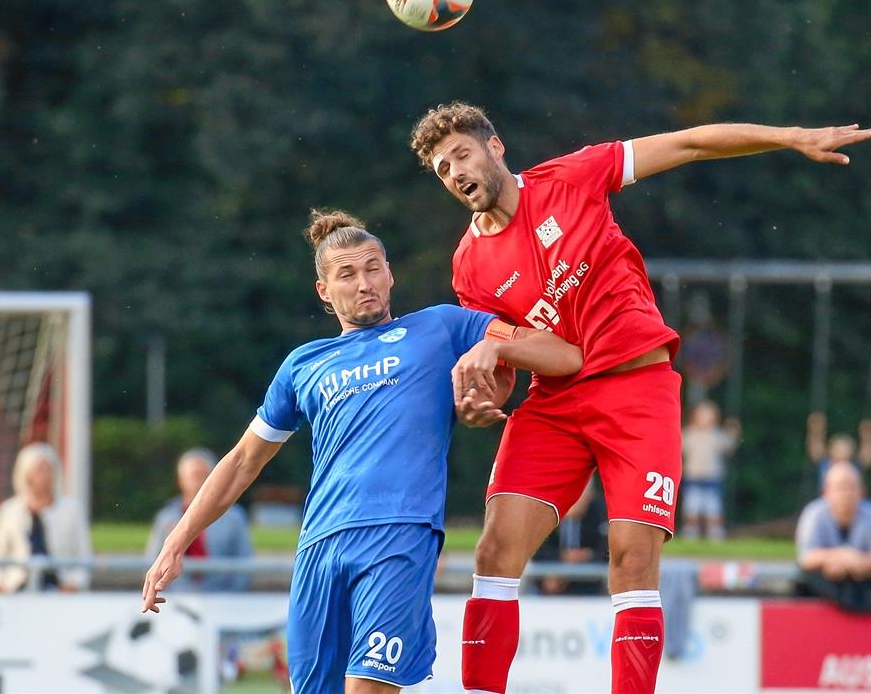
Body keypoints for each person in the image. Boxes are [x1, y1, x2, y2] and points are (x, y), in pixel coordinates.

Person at [410, 102, 871, 693]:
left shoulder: (570, 178)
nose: (454, 172)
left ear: (495, 148)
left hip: (637, 389)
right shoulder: (469, 269)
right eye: (441, 168)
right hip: (555, 403)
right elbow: (517, 359)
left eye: (461, 154)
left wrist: (788, 135)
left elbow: (688, 145)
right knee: (494, 552)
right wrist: (483, 396)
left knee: (631, 559)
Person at [141, 209, 583, 693]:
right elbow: (244, 460)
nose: (364, 283)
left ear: (390, 273)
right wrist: (177, 540)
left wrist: (498, 349)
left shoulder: (440, 327)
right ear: (324, 291)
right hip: (319, 547)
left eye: (373, 268)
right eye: (347, 274)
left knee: (367, 688)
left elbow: (564, 354)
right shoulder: (303, 365)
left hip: (399, 535)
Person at [794, 461, 871, 613]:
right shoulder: (814, 514)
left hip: (864, 576)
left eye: (851, 487)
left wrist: (858, 564)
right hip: (829, 578)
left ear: (862, 491)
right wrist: (840, 557)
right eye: (840, 487)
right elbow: (806, 557)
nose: (846, 493)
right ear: (826, 491)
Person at [145, 447, 254, 592]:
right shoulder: (166, 517)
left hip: (223, 599)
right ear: (181, 480)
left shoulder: (234, 517)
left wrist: (230, 595)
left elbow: (244, 563)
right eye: (194, 475)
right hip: (176, 600)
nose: (199, 481)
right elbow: (152, 561)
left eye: (204, 475)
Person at [0, 442, 91, 593]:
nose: (42, 476)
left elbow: (83, 554)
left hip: (60, 588)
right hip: (18, 589)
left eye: (46, 469)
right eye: (37, 470)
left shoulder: (71, 509)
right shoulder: (9, 510)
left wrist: (73, 583)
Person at [533, 477, 609, 596]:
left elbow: (610, 552)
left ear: (590, 493)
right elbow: (536, 551)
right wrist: (562, 558)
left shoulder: (602, 513)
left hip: (592, 588)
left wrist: (587, 556)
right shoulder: (547, 512)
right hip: (548, 587)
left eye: (580, 492)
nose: (574, 498)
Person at [681, 400, 740, 541]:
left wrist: (733, 433)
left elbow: (728, 447)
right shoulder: (689, 434)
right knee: (692, 509)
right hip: (693, 477)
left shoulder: (717, 435)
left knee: (713, 510)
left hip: (712, 478)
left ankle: (715, 536)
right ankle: (690, 535)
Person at [806, 411, 871, 490]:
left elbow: (868, 456)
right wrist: (816, 431)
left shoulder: (854, 464)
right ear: (830, 450)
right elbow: (816, 447)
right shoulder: (826, 462)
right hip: (828, 501)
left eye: (846, 446)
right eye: (839, 447)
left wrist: (869, 437)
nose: (842, 450)